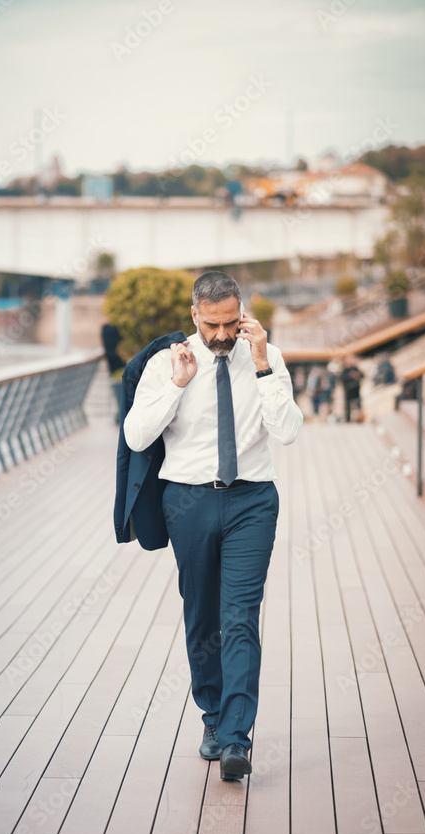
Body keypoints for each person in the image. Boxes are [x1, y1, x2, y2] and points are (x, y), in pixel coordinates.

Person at [120, 270, 303, 780]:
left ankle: (236, 738)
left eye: (231, 323)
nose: (223, 336)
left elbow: (287, 432)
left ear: (241, 312)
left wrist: (265, 368)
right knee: (203, 617)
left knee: (241, 615)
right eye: (213, 325)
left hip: (252, 502)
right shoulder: (167, 364)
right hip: (188, 504)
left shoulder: (266, 356)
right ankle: (213, 715)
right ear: (195, 315)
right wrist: (176, 387)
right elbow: (136, 437)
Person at [340, 356, 364, 422]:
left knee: (358, 405)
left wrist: (357, 375)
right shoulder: (345, 370)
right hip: (348, 390)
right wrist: (350, 376)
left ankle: (359, 419)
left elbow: (362, 375)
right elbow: (342, 378)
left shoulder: (355, 368)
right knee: (348, 406)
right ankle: (347, 419)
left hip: (356, 389)